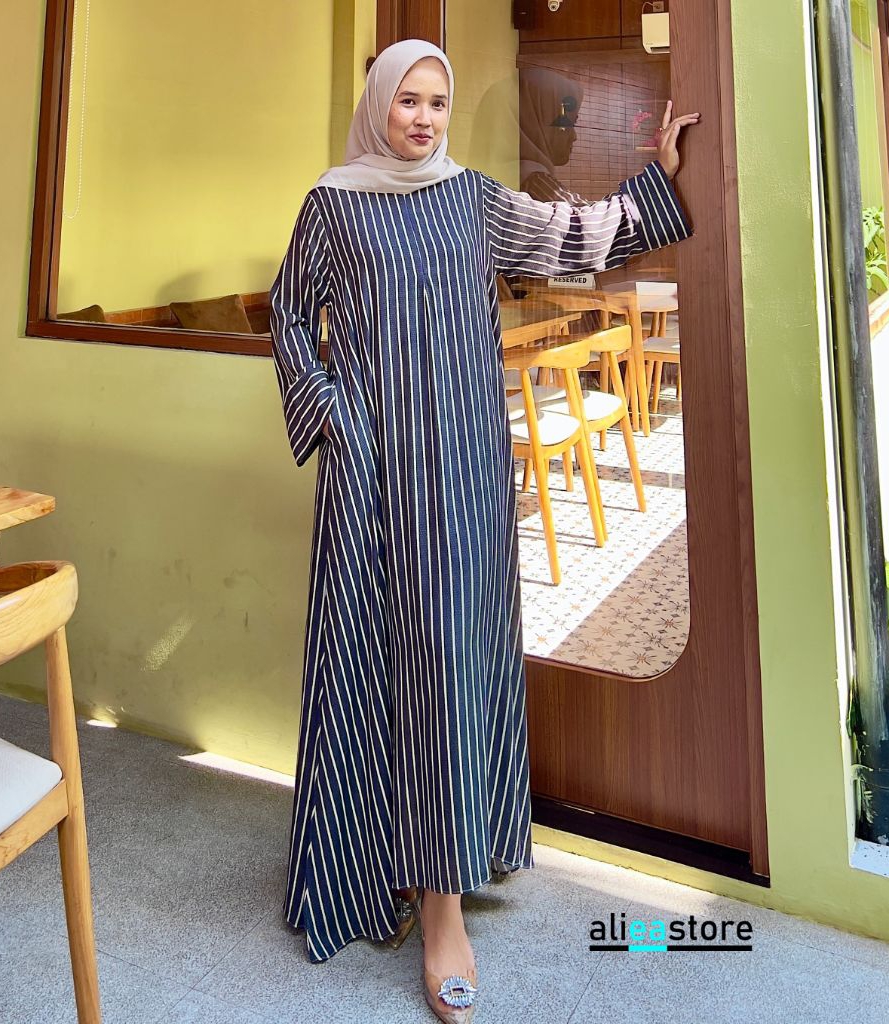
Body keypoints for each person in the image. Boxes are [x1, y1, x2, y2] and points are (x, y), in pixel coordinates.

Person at [269, 38, 698, 1024]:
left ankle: (445, 898)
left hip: (463, 466)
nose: (422, 118)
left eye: (436, 101)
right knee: (371, 656)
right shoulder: (333, 205)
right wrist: (331, 413)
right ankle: (374, 859)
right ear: (378, 105)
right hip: (373, 468)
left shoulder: (473, 200)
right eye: (406, 101)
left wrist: (659, 179)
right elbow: (290, 318)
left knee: (451, 660)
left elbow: (567, 235)